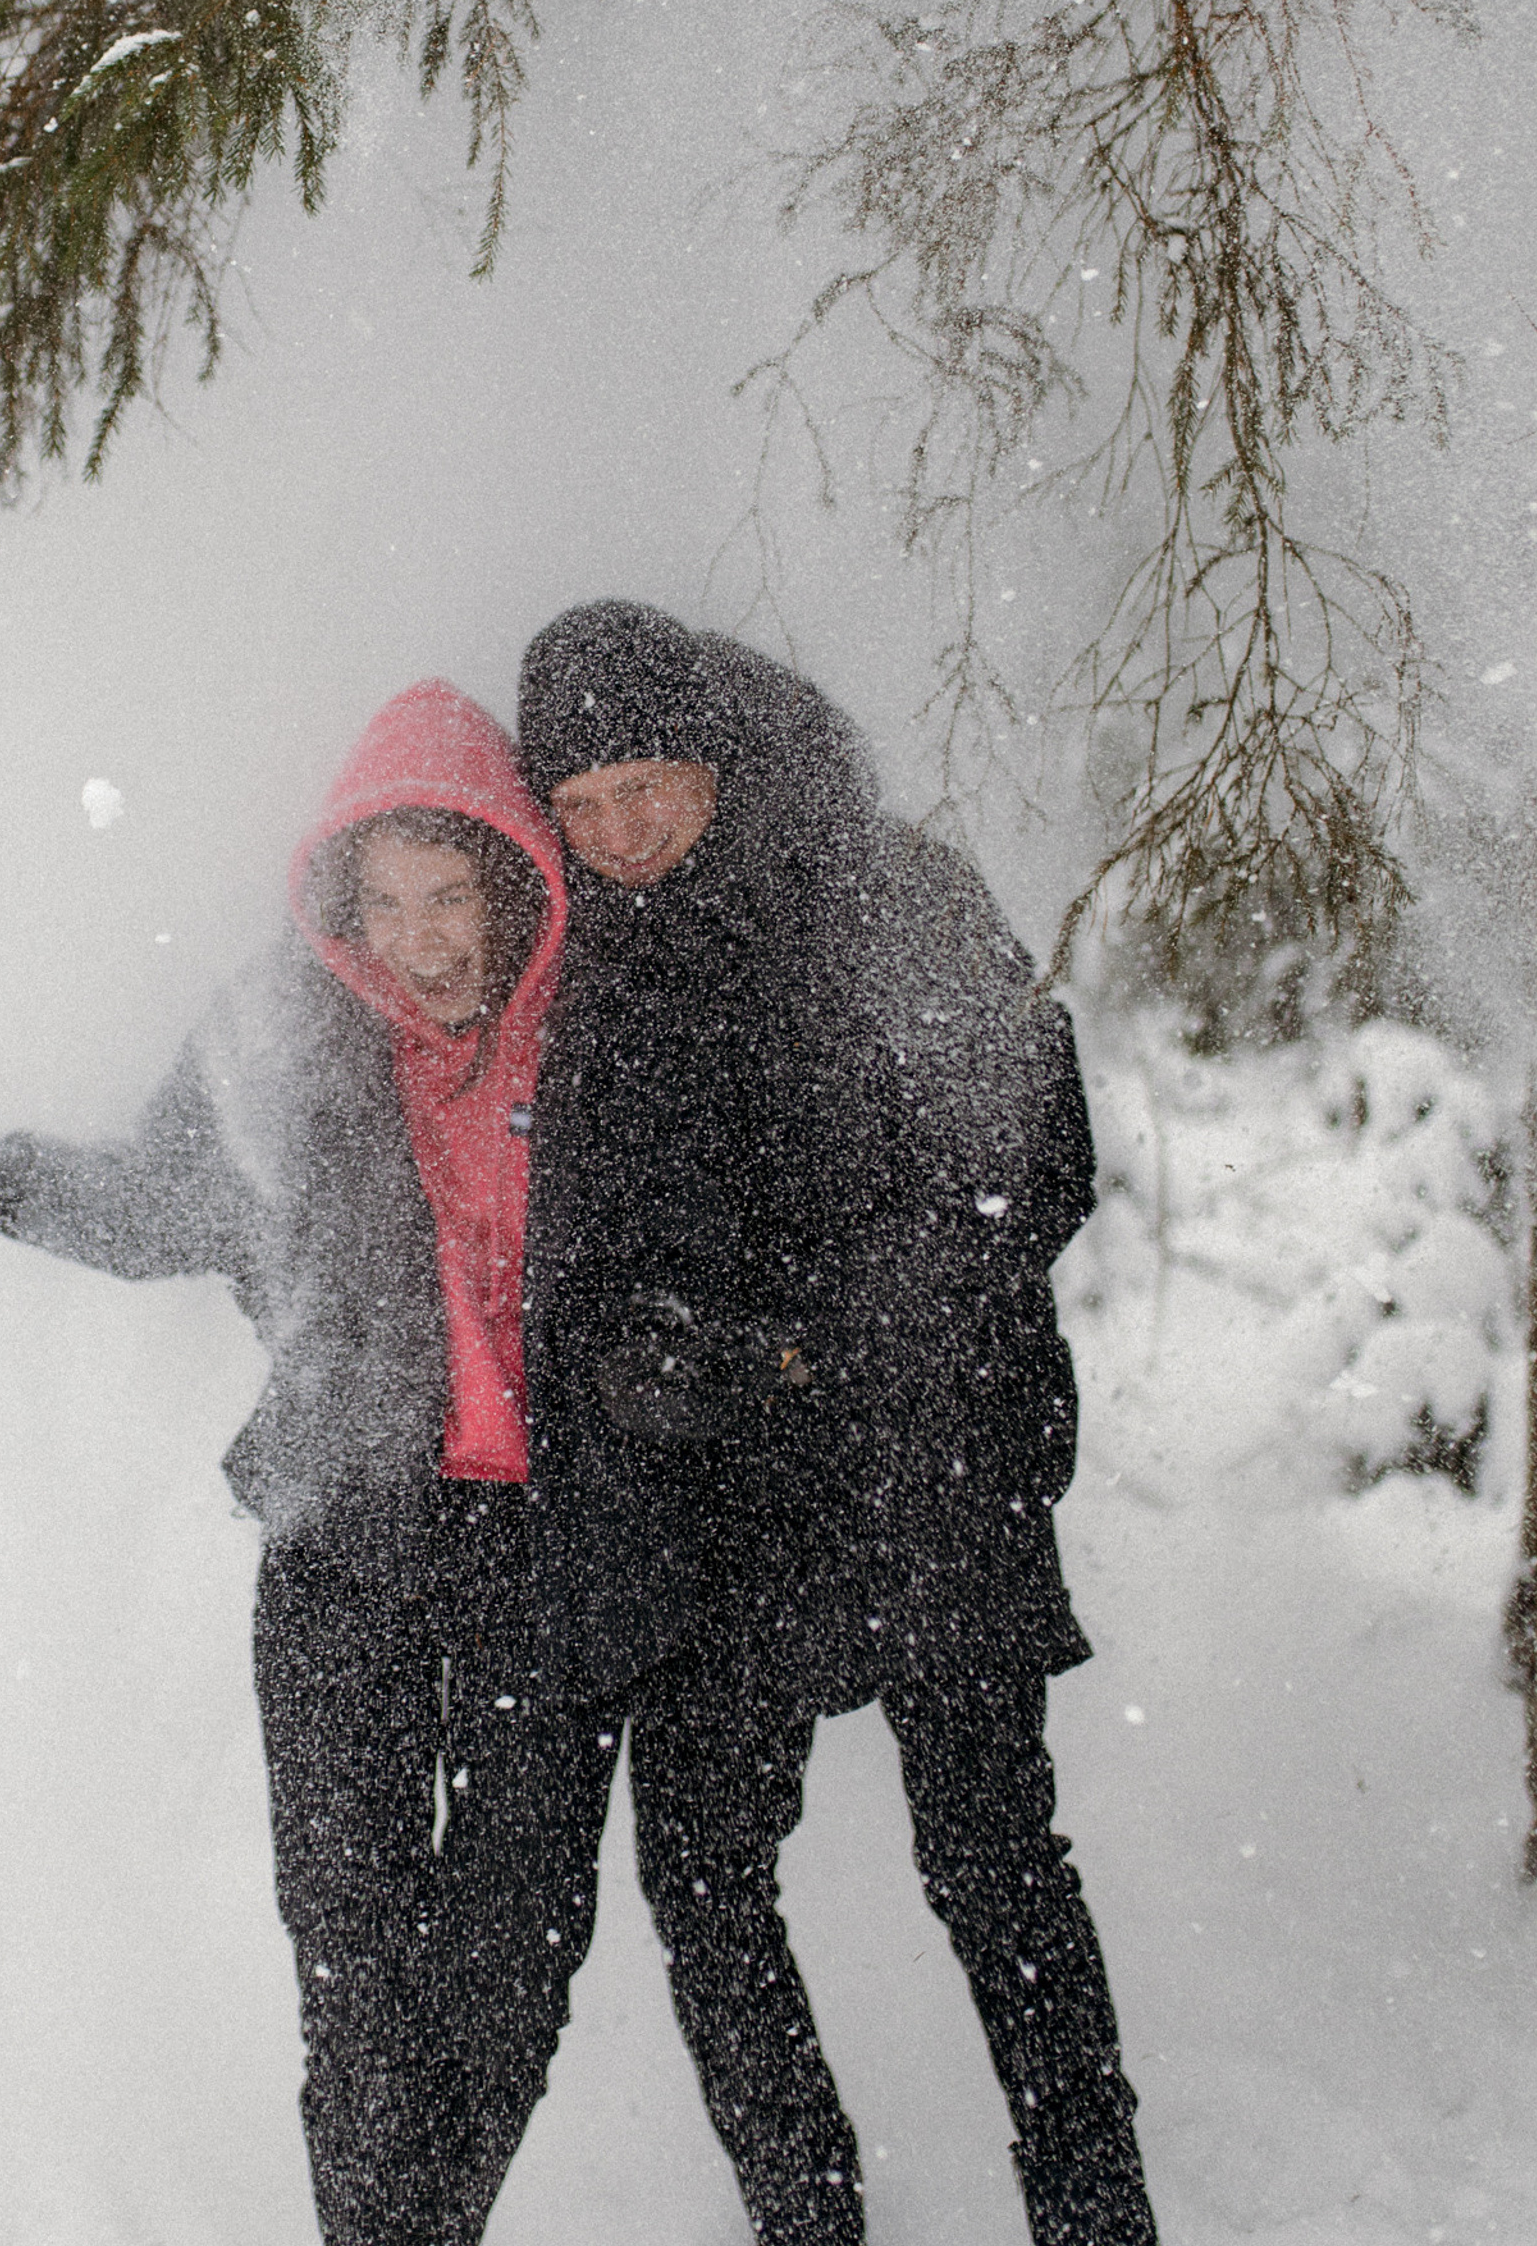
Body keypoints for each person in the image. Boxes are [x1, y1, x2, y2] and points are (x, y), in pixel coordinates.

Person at [0, 679, 568, 2246]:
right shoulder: (283, 1036)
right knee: (353, 1964)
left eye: (450, 893)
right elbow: (154, 1208)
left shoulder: (596, 1036)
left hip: (550, 1554)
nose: (419, 939)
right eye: (382, 901)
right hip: (342, 1532)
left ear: (514, 878)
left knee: (511, 1970)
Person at [480, 602, 1159, 2245]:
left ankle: (1095, 2210)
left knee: (994, 1860)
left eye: (647, 785)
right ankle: (806, 2211)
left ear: (718, 757)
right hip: (733, 1505)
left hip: (934, 1459)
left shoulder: (887, 890)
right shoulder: (582, 967)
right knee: (704, 1875)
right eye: (578, 807)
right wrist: (635, 1363)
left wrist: (814, 1346)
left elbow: (1027, 1162)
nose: (620, 833)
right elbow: (566, 1232)